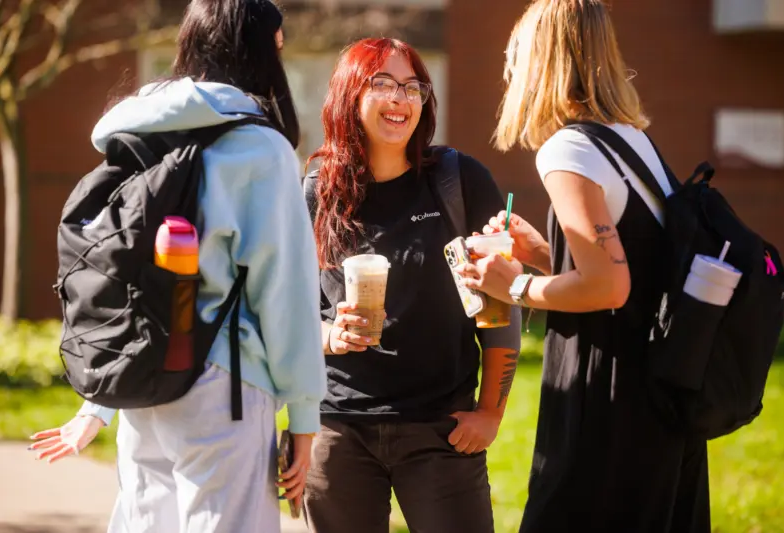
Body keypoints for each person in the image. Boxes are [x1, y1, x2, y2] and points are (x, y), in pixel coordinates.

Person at [28, 1, 326, 531]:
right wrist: (303, 413)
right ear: (261, 47)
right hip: (223, 380)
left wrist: (96, 405)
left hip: (143, 374)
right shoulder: (260, 149)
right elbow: (286, 291)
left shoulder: (133, 133)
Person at [456, 1, 711, 532]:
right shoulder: (633, 141)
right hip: (662, 388)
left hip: (607, 393)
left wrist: (516, 284)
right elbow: (633, 268)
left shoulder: (566, 149)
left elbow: (610, 286)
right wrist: (545, 254)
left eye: (516, 51)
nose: (509, 65)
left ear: (540, 59)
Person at [301, 37, 522, 533]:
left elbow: (499, 303)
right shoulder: (318, 194)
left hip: (441, 429)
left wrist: (489, 412)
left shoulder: (456, 180)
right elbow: (290, 314)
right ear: (349, 95)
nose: (401, 99)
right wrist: (331, 336)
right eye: (382, 83)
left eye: (413, 86)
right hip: (338, 429)